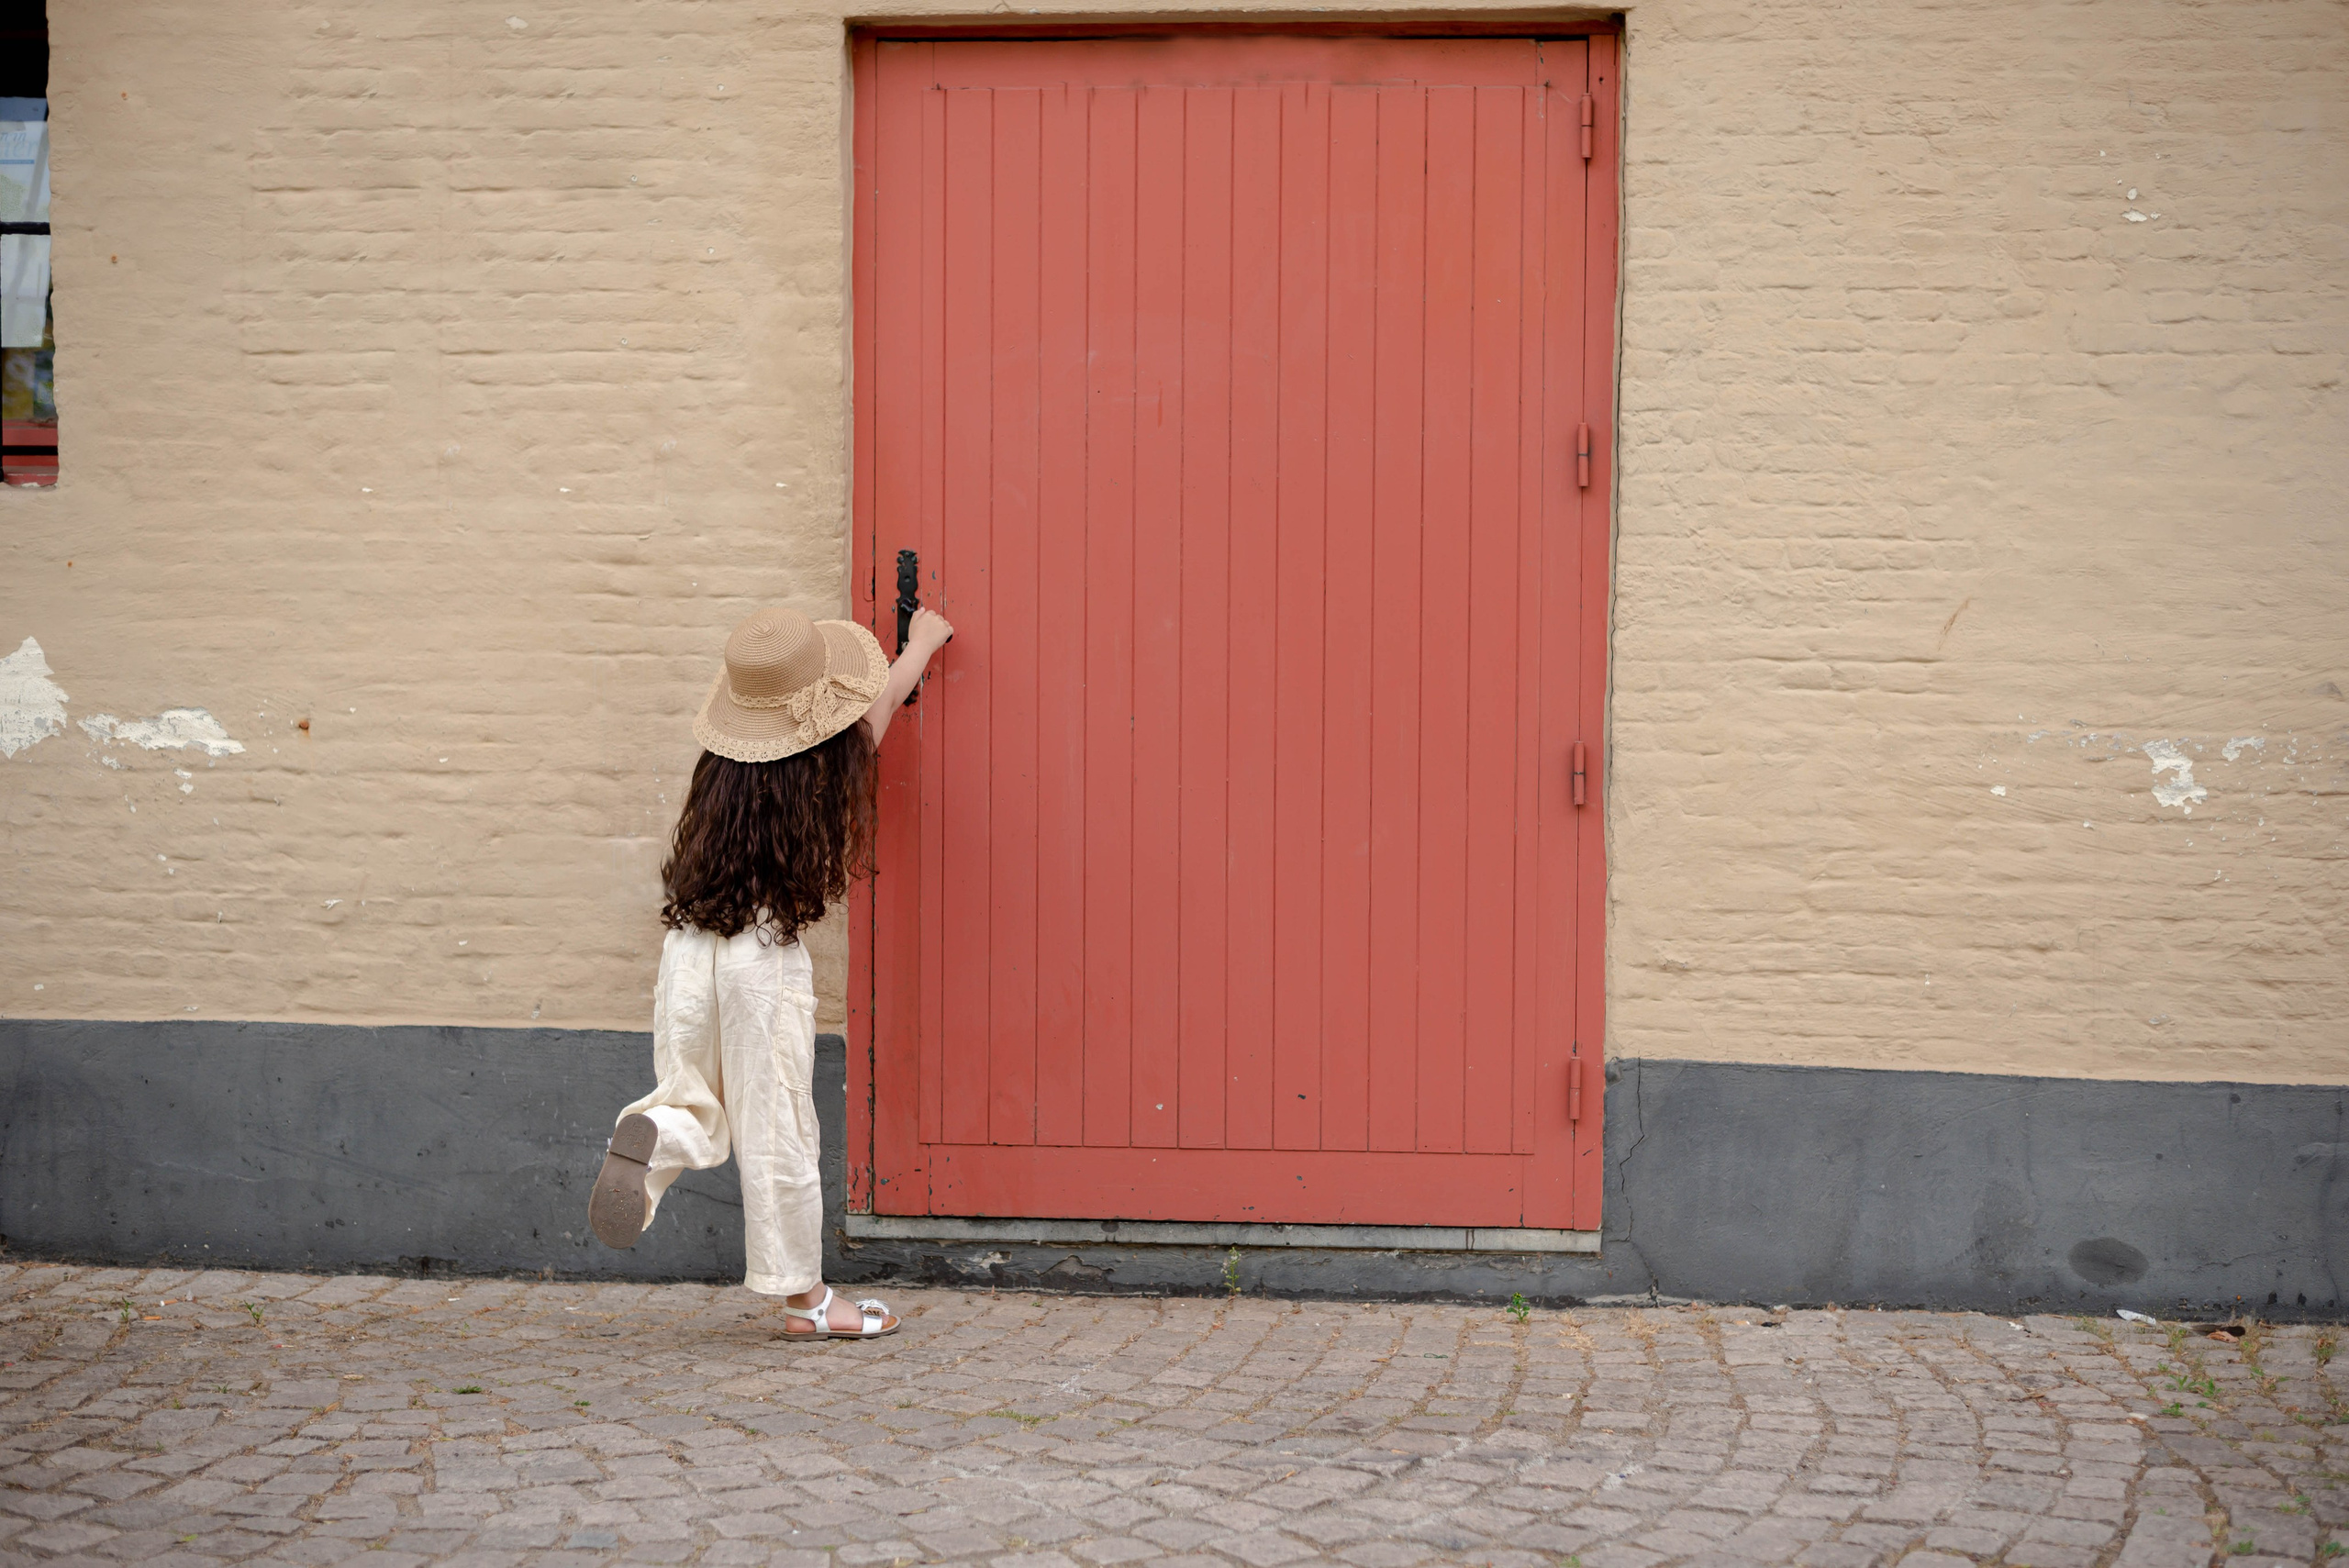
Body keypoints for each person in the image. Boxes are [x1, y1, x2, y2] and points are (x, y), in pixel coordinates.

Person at [586, 601, 952, 1339]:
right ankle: (809, 1303)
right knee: (776, 1123)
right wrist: (921, 645)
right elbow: (878, 707)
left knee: (690, 1097)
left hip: (689, 948)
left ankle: (654, 1129)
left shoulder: (718, 777)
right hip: (760, 958)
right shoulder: (827, 769)